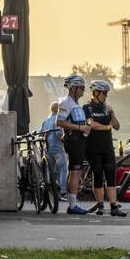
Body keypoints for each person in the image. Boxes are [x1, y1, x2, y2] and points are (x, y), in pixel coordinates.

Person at [82, 79, 125, 216]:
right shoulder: (87, 108)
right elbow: (91, 124)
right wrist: (106, 127)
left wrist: (112, 114)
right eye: (104, 93)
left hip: (107, 147)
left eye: (106, 94)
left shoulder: (107, 107)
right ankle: (100, 205)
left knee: (111, 176)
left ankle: (113, 206)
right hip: (93, 148)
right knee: (98, 175)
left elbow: (117, 126)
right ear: (95, 93)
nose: (106, 96)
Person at [56, 74, 91, 215]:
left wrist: (86, 126)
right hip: (73, 140)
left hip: (79, 140)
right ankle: (72, 205)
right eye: (81, 88)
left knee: (75, 172)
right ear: (73, 88)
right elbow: (59, 122)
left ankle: (73, 204)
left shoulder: (76, 104)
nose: (83, 90)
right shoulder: (66, 102)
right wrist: (80, 128)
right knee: (75, 172)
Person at [40, 101, 68, 199]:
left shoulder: (45, 121)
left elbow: (40, 135)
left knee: (50, 170)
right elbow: (58, 134)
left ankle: (49, 190)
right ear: (59, 110)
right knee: (63, 169)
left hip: (47, 149)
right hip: (58, 148)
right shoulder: (58, 120)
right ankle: (63, 191)